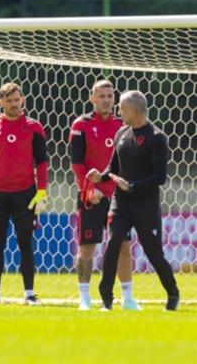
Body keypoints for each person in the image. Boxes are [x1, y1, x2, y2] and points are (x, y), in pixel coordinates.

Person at [87, 90, 180, 311]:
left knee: (153, 252)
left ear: (132, 110)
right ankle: (106, 300)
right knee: (113, 244)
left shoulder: (156, 137)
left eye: (120, 107)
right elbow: (114, 167)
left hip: (145, 203)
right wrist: (100, 176)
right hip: (122, 202)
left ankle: (173, 294)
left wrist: (133, 186)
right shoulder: (121, 133)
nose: (117, 111)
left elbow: (160, 177)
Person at [0, 82, 48, 305]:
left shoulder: (34, 127)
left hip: (25, 194)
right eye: (9, 101)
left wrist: (42, 191)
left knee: (25, 243)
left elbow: (43, 161)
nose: (14, 104)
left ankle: (29, 293)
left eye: (17, 99)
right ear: (1, 103)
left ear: (22, 99)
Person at [69, 80, 138, 310]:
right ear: (92, 98)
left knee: (124, 247)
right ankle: (85, 298)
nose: (107, 100)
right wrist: (90, 189)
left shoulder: (124, 125)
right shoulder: (81, 124)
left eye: (110, 96)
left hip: (119, 198)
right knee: (87, 248)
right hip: (91, 196)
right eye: (102, 96)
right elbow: (77, 163)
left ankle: (127, 299)